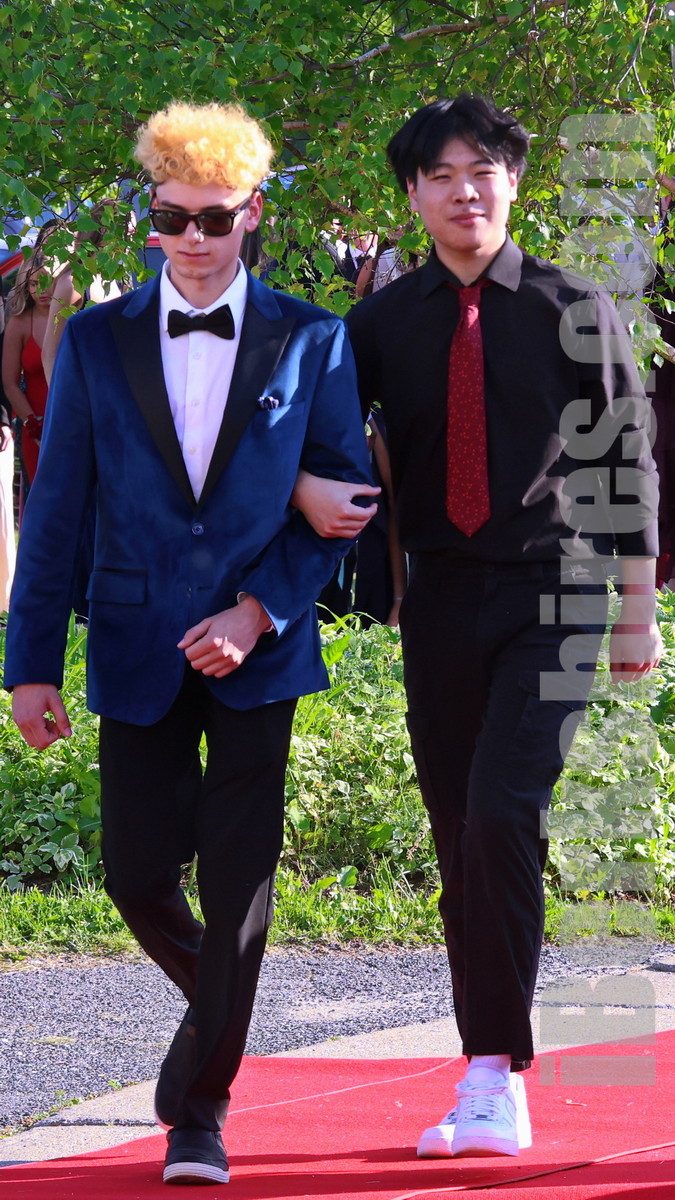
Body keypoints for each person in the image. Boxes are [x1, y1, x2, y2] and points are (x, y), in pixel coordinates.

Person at [4, 99, 373, 1187]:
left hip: (262, 653)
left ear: (252, 212)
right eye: (174, 218)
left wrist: (256, 611)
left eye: (216, 218)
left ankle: (199, 1114)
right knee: (132, 875)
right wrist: (29, 665)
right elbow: (56, 508)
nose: (196, 239)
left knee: (239, 881)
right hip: (135, 641)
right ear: (150, 218)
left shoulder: (313, 338)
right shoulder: (94, 339)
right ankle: (225, 1003)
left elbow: (347, 504)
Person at [294, 94, 661, 1160]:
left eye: (483, 171)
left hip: (558, 595)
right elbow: (318, 442)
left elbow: (625, 465)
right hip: (442, 599)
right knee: (460, 834)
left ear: (513, 181)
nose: (465, 192)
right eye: (442, 175)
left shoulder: (571, 306)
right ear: (412, 195)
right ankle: (485, 1072)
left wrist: (637, 610)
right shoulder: (376, 326)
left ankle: (499, 1078)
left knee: (503, 813)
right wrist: (310, 491)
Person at [1, 249, 55, 484]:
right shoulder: (19, 323)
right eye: (33, 284)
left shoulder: (75, 317)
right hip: (36, 428)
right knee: (42, 495)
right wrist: (34, 426)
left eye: (47, 282)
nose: (41, 290)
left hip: (76, 424)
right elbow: (10, 383)